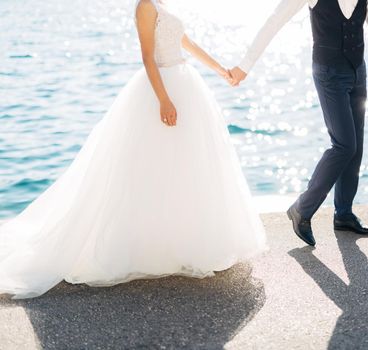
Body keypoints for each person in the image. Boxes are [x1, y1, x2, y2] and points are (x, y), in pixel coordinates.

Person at [0, 0, 267, 300]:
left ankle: (179, 240)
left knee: (184, 169)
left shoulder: (164, 5)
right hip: (162, 88)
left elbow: (185, 42)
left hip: (186, 83)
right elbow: (147, 56)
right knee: (150, 168)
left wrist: (220, 70)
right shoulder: (145, 6)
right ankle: (145, 246)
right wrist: (164, 99)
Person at [229, 0, 368, 246]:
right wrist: (245, 66)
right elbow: (276, 19)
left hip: (357, 73)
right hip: (328, 74)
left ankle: (344, 214)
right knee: (344, 145)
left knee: (356, 145)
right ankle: (302, 209)